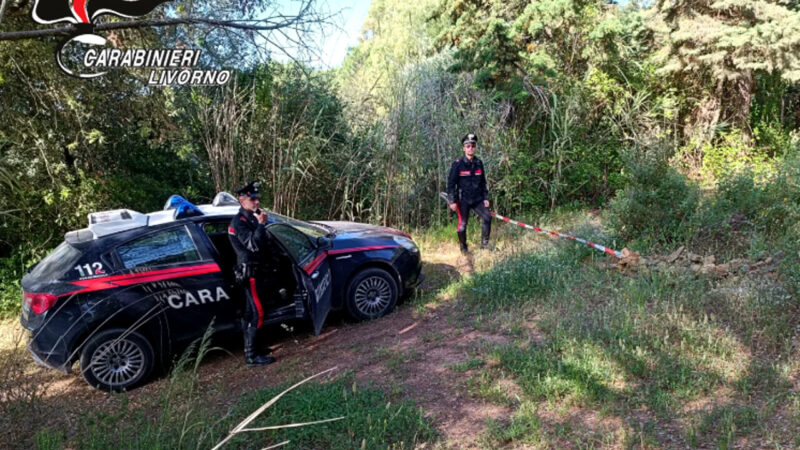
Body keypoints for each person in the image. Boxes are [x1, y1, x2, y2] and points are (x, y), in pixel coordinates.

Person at [227, 181, 277, 367]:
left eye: (257, 198)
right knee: (257, 313)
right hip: (251, 274)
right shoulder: (238, 222)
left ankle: (257, 348)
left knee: (252, 312)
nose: (256, 202)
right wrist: (261, 225)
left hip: (260, 271)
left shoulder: (252, 217)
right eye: (252, 199)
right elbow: (254, 244)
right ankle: (251, 356)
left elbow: (266, 243)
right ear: (242, 201)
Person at [446, 133, 492, 255]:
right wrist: (452, 201)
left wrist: (485, 198)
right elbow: (451, 184)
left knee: (487, 217)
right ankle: (463, 247)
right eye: (468, 146)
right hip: (463, 200)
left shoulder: (479, 163)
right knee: (462, 226)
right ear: (464, 148)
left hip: (477, 199)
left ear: (475, 147)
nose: (470, 148)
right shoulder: (458, 164)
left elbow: (483, 182)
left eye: (472, 146)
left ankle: (485, 244)